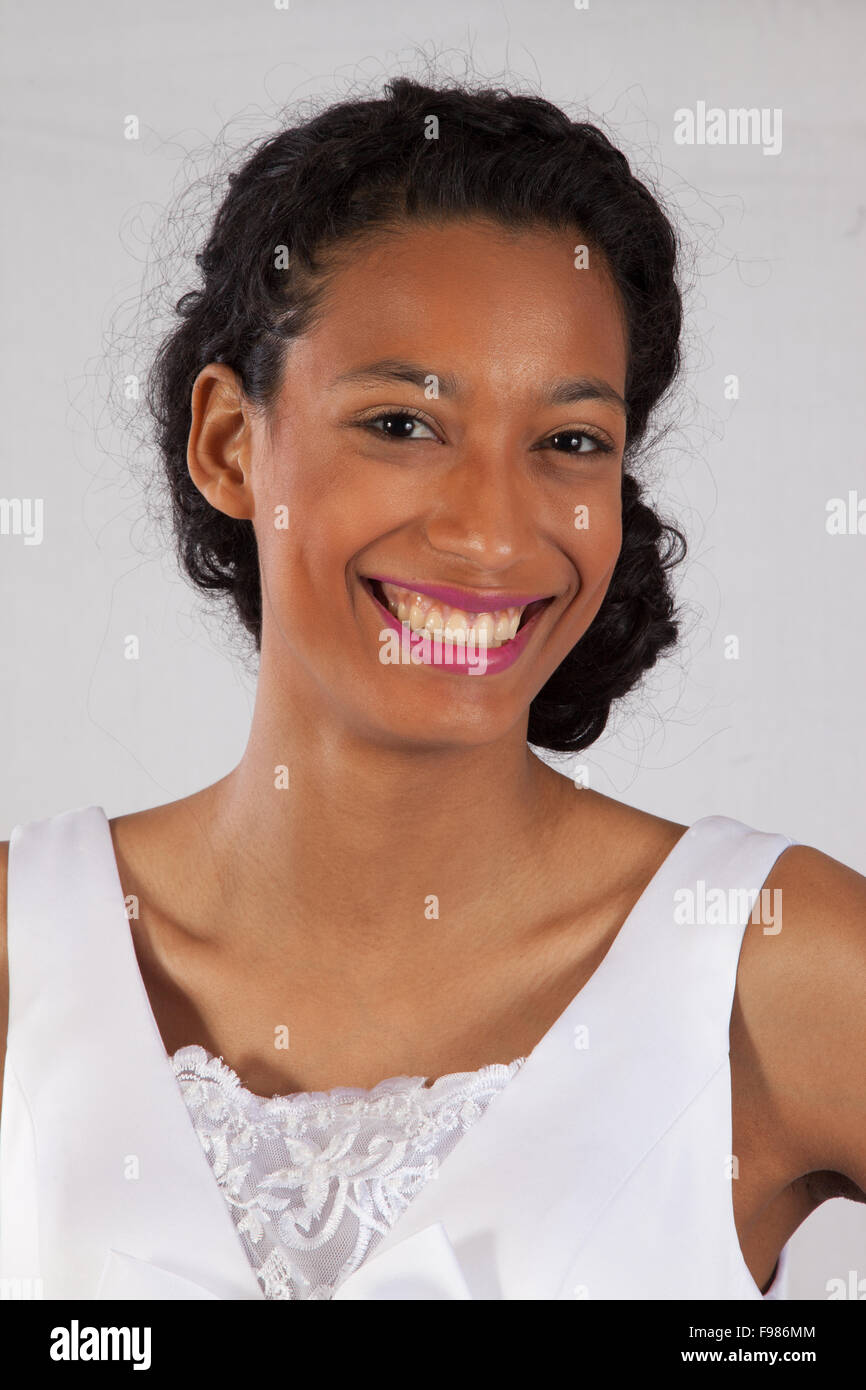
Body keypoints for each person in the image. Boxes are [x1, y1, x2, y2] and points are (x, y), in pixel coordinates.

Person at [1, 75, 864, 1302]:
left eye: (569, 442)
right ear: (229, 444)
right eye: (402, 423)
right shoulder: (19, 951)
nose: (490, 536)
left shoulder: (770, 970)